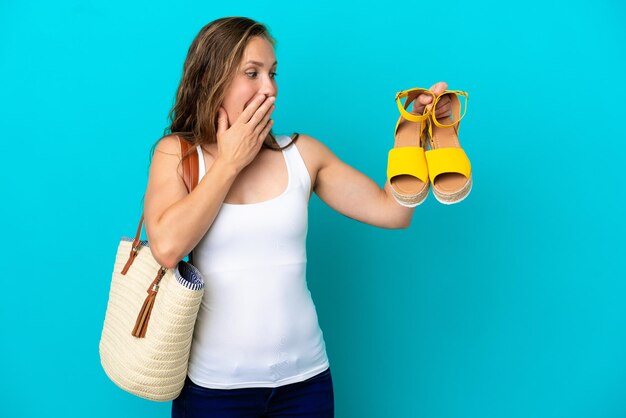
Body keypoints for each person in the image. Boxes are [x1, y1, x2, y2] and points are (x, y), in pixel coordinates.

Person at [144, 16, 451, 418]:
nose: (269, 88)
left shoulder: (302, 154)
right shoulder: (177, 154)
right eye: (251, 74)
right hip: (214, 390)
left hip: (306, 386)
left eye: (272, 74)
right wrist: (229, 163)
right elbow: (166, 249)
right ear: (209, 79)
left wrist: (411, 132)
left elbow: (394, 212)